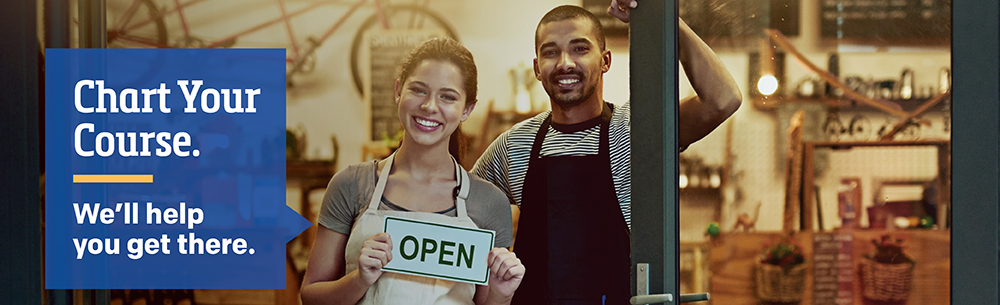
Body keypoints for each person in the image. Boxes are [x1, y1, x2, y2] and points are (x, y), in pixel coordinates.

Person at [471, 2, 741, 304]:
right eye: (550, 52)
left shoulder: (636, 130)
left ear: (605, 60)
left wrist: (663, 19)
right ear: (537, 68)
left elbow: (723, 100)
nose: (565, 63)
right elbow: (461, 208)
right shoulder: (514, 145)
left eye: (580, 49)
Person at [301, 37, 525, 305]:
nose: (430, 106)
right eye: (418, 90)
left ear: (467, 109)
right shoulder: (351, 184)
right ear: (398, 90)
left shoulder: (490, 202)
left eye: (447, 97)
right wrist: (359, 279)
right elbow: (311, 296)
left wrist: (502, 293)